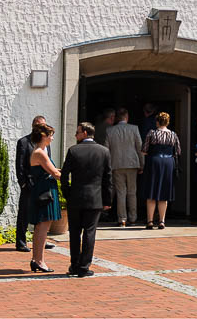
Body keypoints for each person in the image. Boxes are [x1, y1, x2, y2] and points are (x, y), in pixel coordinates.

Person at [61, 121, 112, 277]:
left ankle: (74, 265)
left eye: (77, 132)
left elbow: (64, 175)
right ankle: (84, 266)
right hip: (95, 198)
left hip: (76, 197)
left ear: (84, 132)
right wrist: (107, 200)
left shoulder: (74, 151)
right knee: (90, 232)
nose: (75, 135)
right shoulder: (104, 152)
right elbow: (108, 178)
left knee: (75, 232)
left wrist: (67, 193)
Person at [14, 115, 56, 254]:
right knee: (24, 213)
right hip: (30, 184)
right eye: (39, 126)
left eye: (44, 125)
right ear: (34, 127)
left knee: (41, 216)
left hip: (42, 186)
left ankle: (40, 241)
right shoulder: (24, 142)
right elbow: (20, 166)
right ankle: (21, 242)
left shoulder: (46, 144)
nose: (42, 128)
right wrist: (24, 184)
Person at [24, 124, 62, 273]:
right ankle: (39, 260)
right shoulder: (40, 152)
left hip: (43, 190)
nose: (52, 138)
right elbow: (56, 174)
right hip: (44, 192)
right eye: (50, 135)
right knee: (43, 226)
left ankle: (36, 259)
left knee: (42, 226)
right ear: (43, 136)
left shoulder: (40, 151)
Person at [140, 112, 181, 229]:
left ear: (157, 122)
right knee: (164, 193)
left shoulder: (152, 133)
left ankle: (150, 221)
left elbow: (144, 150)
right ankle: (162, 221)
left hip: (154, 162)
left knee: (151, 191)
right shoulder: (173, 134)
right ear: (167, 122)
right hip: (168, 163)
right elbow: (178, 151)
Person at [106, 109, 143, 227]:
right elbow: (140, 148)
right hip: (132, 163)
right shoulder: (134, 129)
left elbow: (106, 149)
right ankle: (133, 218)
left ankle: (122, 218)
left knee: (121, 192)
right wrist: (142, 164)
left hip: (116, 164)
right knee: (132, 192)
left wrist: (107, 165)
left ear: (117, 117)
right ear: (126, 116)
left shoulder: (110, 130)